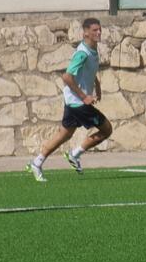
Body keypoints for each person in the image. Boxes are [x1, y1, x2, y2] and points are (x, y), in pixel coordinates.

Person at [27, 17, 112, 181]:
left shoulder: (92, 49)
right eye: (94, 30)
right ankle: (75, 153)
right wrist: (84, 96)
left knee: (64, 135)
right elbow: (67, 77)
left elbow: (89, 71)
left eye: (100, 29)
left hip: (72, 101)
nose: (99, 32)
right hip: (78, 103)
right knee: (107, 129)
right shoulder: (82, 53)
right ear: (85, 32)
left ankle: (37, 162)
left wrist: (97, 85)